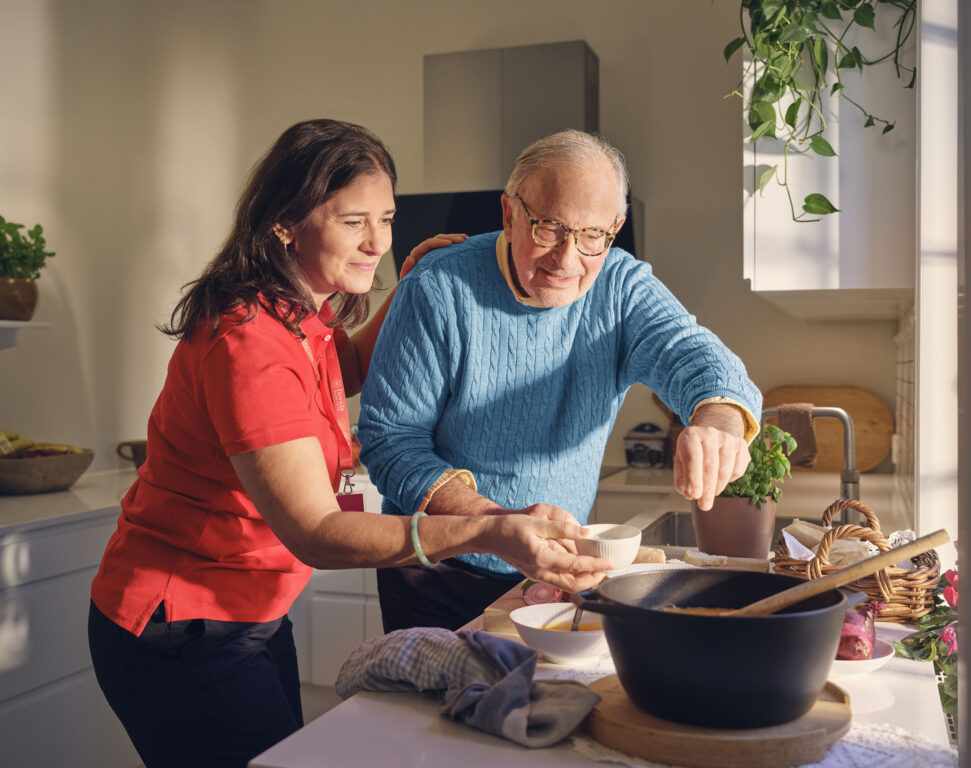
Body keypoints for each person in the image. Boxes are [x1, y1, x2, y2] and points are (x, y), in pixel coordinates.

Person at [87, 119, 612, 768]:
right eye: (353, 221)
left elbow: (342, 374)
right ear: (285, 220)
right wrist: (487, 530)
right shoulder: (249, 342)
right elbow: (314, 530)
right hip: (182, 625)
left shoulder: (300, 315)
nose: (378, 241)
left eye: (386, 219)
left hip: (249, 614)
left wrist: (411, 283)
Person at [358, 129, 764, 633]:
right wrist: (496, 525)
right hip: (435, 575)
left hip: (550, 578)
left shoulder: (621, 286)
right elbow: (391, 443)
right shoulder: (436, 289)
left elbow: (698, 356)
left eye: (593, 235)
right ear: (509, 214)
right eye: (549, 228)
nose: (567, 259)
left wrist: (718, 421)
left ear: (614, 228)